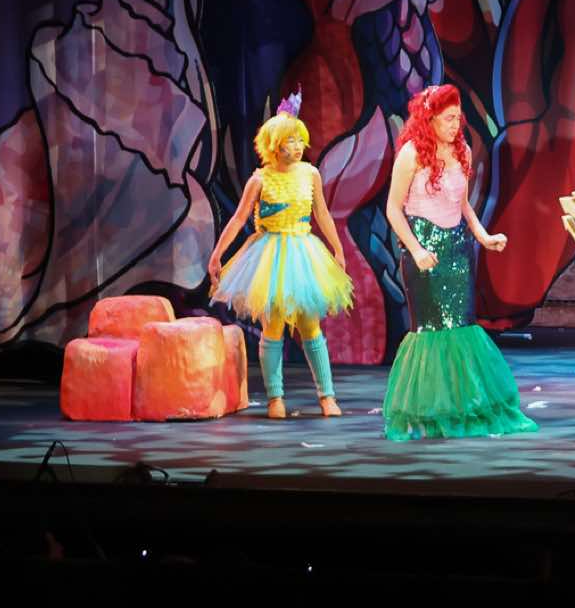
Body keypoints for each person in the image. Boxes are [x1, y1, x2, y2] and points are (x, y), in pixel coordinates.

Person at [379, 84, 537, 440]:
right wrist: (416, 250)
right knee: (433, 331)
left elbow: (463, 206)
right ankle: (431, 411)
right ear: (430, 119)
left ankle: (462, 406)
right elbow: (393, 208)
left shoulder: (462, 150)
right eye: (448, 118)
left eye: (457, 118)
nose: (455, 125)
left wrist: (484, 237)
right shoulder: (411, 154)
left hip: (457, 250)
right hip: (424, 250)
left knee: (461, 327)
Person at [208, 91, 353, 418]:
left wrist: (338, 249)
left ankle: (327, 396)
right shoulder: (260, 179)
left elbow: (323, 214)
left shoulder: (310, 174)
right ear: (274, 145)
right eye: (290, 141)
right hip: (271, 256)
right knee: (273, 327)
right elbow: (238, 219)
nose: (298, 146)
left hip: (302, 252)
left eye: (300, 140)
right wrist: (217, 254)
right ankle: (275, 398)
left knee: (310, 325)